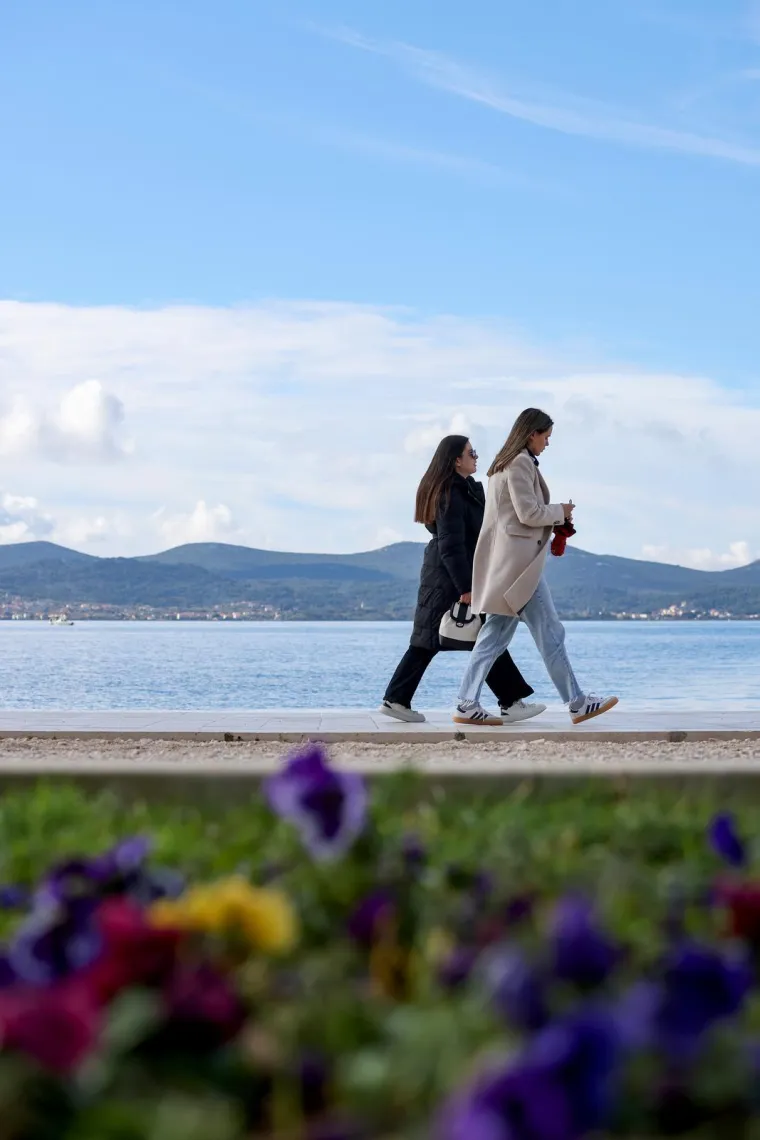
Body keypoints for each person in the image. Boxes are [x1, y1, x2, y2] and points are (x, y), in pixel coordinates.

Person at [453, 408, 619, 726]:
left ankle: (466, 702)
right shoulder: (518, 464)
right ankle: (577, 702)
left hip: (506, 568)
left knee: (493, 638)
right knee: (550, 633)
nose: (547, 443)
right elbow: (528, 513)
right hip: (518, 570)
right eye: (546, 437)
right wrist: (560, 511)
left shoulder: (502, 466)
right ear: (532, 434)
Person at [379, 434, 546, 725]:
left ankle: (398, 699)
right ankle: (510, 701)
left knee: (463, 637)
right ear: (457, 459)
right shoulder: (451, 492)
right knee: (454, 638)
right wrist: (465, 588)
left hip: (450, 573)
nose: (477, 457)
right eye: (472, 453)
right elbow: (451, 544)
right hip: (449, 576)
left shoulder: (461, 489)